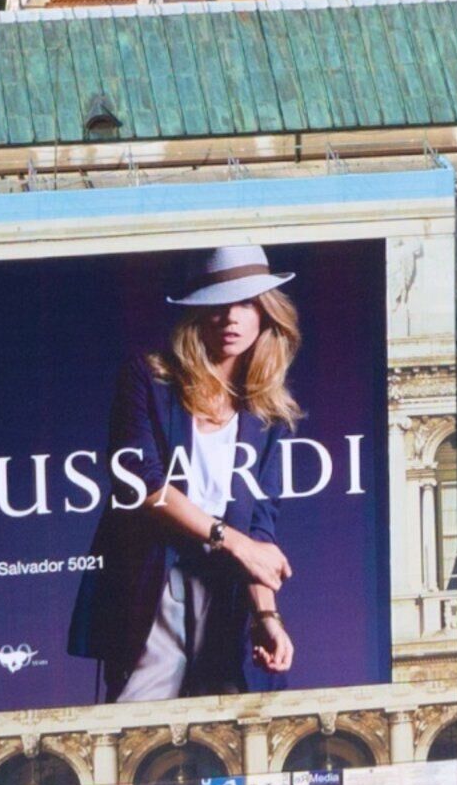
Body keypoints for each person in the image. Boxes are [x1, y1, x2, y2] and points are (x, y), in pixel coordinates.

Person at [73, 245, 305, 700]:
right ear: (197, 313)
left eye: (246, 302)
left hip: (229, 593)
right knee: (139, 726)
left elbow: (260, 528)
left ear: (266, 312)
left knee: (229, 727)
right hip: (156, 581)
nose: (231, 317)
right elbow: (140, 483)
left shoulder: (270, 412)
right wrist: (233, 542)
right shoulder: (150, 378)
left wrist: (267, 616)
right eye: (218, 303)